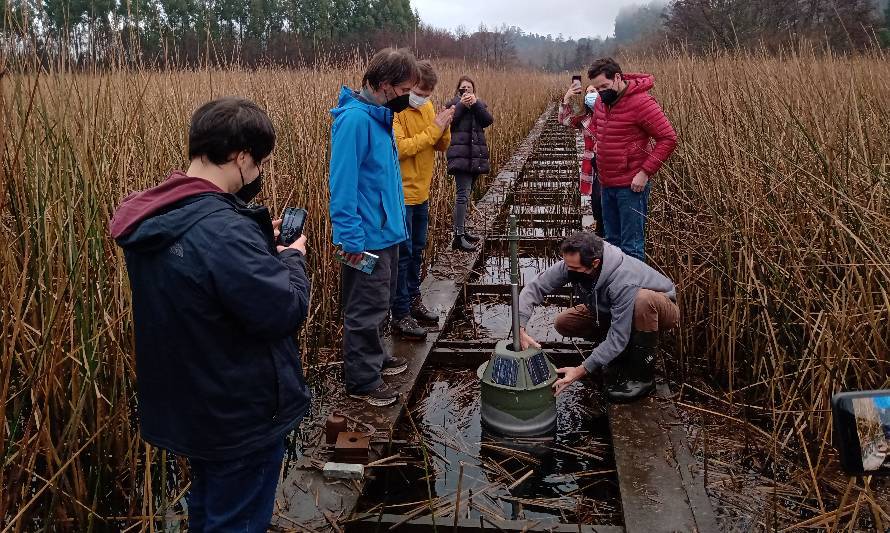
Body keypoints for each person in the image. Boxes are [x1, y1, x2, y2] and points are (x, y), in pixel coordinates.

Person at [109, 97, 311, 532]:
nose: (258, 173)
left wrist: (255, 247)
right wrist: (291, 258)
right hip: (237, 414)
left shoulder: (158, 213)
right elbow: (284, 310)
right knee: (235, 520)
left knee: (207, 511)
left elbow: (204, 278)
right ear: (240, 157)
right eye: (258, 163)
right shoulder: (223, 230)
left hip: (192, 408)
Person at [329, 48, 420, 407]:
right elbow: (342, 184)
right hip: (364, 238)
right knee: (364, 307)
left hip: (385, 233)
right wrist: (350, 239)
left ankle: (377, 357)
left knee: (379, 300)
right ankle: (363, 380)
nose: (408, 99)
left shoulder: (379, 118)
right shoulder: (354, 121)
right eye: (405, 90)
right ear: (384, 85)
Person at [517, 231, 678, 403]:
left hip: (660, 310)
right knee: (564, 322)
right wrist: (520, 326)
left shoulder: (622, 280)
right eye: (567, 265)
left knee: (643, 300)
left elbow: (618, 337)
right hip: (612, 310)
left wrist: (582, 369)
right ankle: (618, 352)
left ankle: (643, 377)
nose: (569, 271)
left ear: (595, 263)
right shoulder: (572, 263)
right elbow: (535, 287)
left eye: (575, 269)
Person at [586, 57, 677, 262]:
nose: (600, 92)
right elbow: (599, 127)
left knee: (631, 245)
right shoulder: (602, 100)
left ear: (617, 78)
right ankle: (616, 290)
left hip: (631, 186)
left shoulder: (642, 102)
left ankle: (633, 291)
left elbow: (668, 138)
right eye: (597, 88)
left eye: (605, 86)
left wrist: (645, 173)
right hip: (606, 183)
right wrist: (601, 143)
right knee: (611, 243)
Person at [390, 60, 454, 339]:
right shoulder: (395, 110)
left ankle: (414, 302)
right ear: (409, 85)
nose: (423, 98)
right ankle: (400, 313)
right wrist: (432, 131)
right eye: (419, 92)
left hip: (422, 193)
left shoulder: (427, 107)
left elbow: (440, 144)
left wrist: (444, 124)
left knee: (417, 251)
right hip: (401, 195)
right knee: (402, 257)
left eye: (428, 94)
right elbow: (401, 148)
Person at [445, 75, 494, 251]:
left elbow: (487, 121)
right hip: (460, 156)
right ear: (458, 90)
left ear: (474, 90)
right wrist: (461, 105)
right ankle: (457, 236)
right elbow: (450, 123)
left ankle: (463, 231)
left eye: (469, 88)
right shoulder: (451, 106)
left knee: (467, 195)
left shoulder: (478, 105)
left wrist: (476, 104)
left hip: (475, 157)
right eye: (463, 88)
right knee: (462, 195)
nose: (466, 91)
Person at [559, 81, 604, 237]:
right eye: (589, 92)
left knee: (602, 197)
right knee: (596, 198)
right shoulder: (585, 119)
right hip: (590, 163)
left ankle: (604, 230)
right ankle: (600, 229)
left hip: (608, 162)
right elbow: (565, 121)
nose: (592, 94)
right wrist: (566, 99)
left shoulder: (611, 113)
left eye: (596, 91)